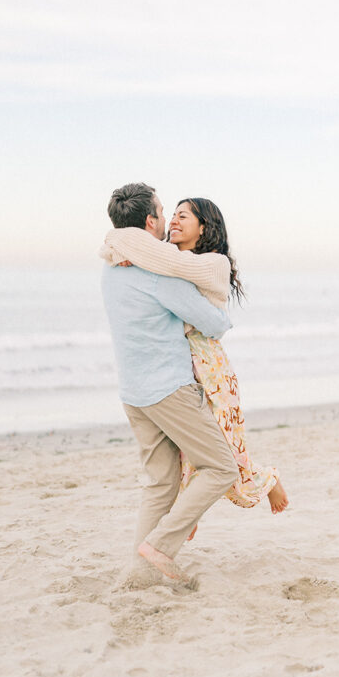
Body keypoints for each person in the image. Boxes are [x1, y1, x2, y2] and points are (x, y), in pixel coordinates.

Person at [100, 197, 288, 517]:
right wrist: (127, 250)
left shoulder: (213, 262)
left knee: (223, 440)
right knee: (187, 449)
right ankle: (187, 513)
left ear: (204, 227)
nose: (173, 220)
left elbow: (173, 270)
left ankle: (268, 481)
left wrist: (126, 248)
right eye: (171, 214)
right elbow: (162, 263)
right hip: (184, 359)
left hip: (208, 359)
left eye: (183, 216)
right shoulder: (169, 258)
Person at [101, 183, 239, 584]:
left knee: (160, 484)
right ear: (150, 221)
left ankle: (141, 575)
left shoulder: (112, 265)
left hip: (132, 392)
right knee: (221, 467)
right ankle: (161, 546)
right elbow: (216, 324)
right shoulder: (156, 273)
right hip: (168, 390)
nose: (168, 219)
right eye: (163, 212)